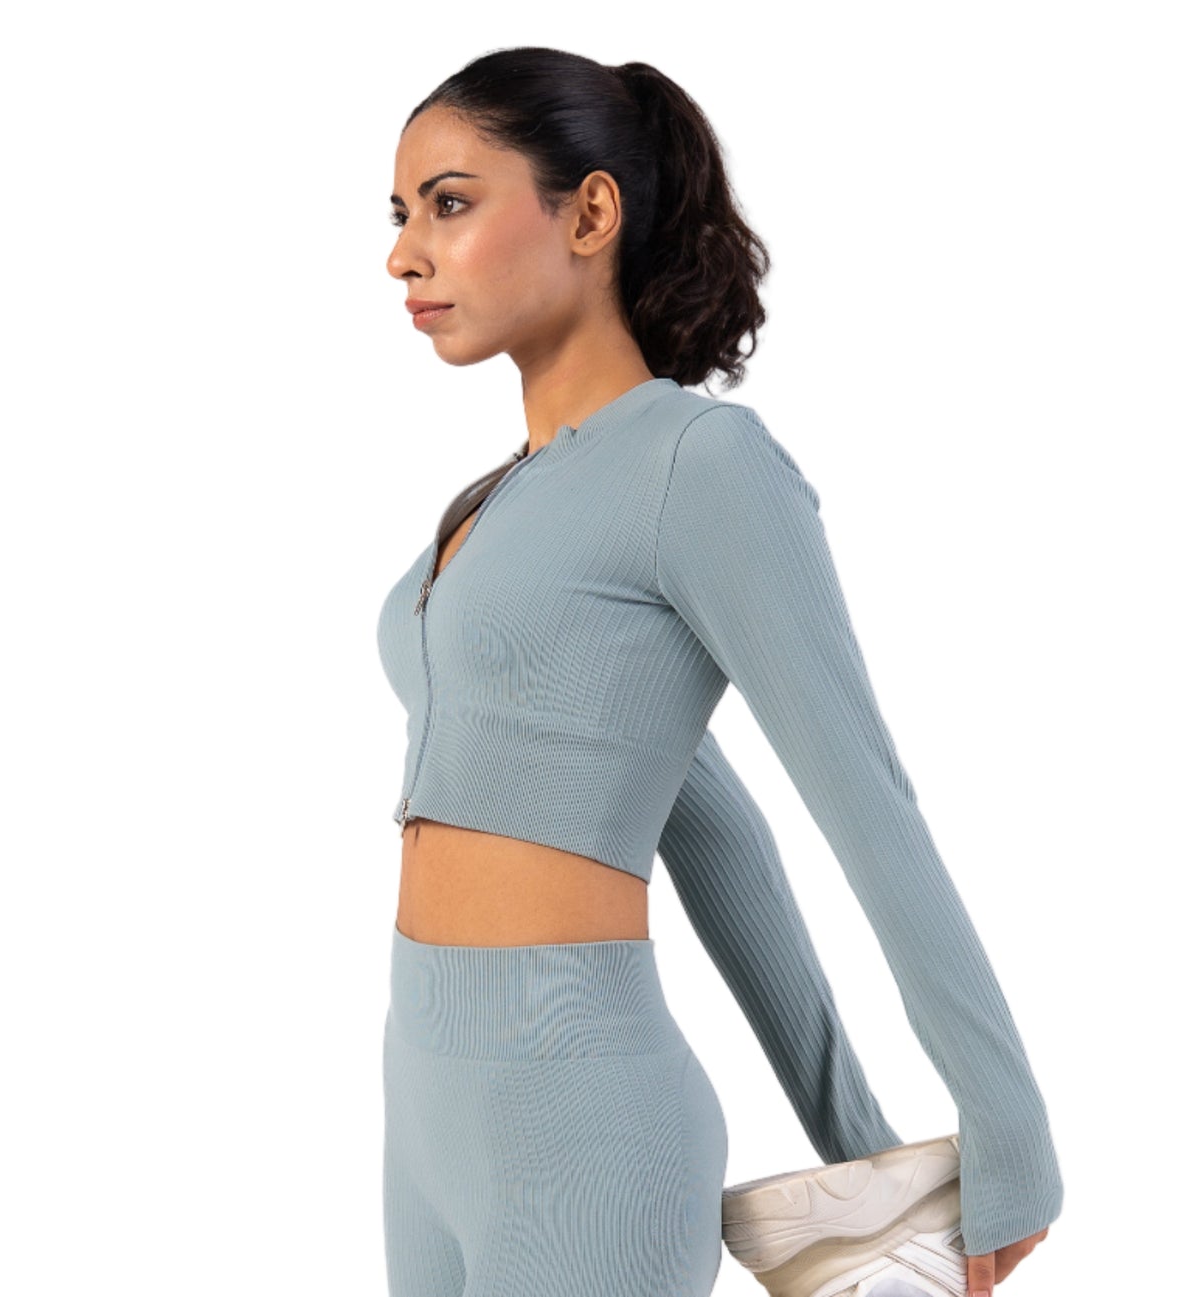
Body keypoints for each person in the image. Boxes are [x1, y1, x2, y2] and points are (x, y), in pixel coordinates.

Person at [378, 46, 1062, 1297]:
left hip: (582, 1128)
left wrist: (1003, 1125)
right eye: (400, 214)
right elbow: (712, 831)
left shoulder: (699, 464)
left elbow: (864, 802)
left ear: (589, 212)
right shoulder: (494, 502)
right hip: (422, 1117)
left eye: (450, 203)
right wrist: (853, 1142)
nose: (404, 255)